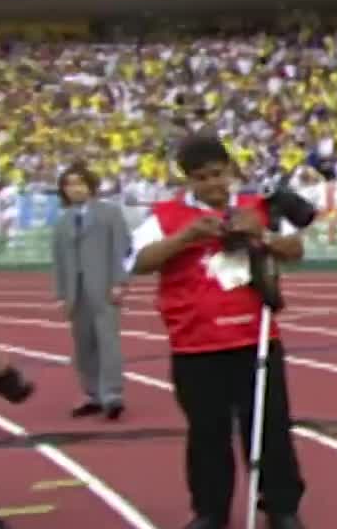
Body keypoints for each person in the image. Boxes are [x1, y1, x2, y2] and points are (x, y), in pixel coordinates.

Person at [126, 134, 307, 529]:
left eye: (217, 174)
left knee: (270, 426)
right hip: (195, 342)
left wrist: (261, 234)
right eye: (201, 177)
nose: (212, 184)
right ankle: (209, 510)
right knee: (207, 432)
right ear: (188, 180)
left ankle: (280, 505)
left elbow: (295, 250)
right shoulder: (165, 215)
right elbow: (138, 262)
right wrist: (186, 237)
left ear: (230, 170)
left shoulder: (256, 207)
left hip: (254, 338)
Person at [51, 161, 131, 421]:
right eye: (69, 184)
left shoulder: (110, 214)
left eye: (79, 183)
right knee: (83, 345)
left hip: (104, 285)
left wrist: (120, 282)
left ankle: (112, 395)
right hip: (76, 292)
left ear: (91, 186)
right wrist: (62, 294)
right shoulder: (62, 221)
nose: (74, 189)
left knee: (108, 342)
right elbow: (59, 260)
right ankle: (92, 394)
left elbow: (123, 249)